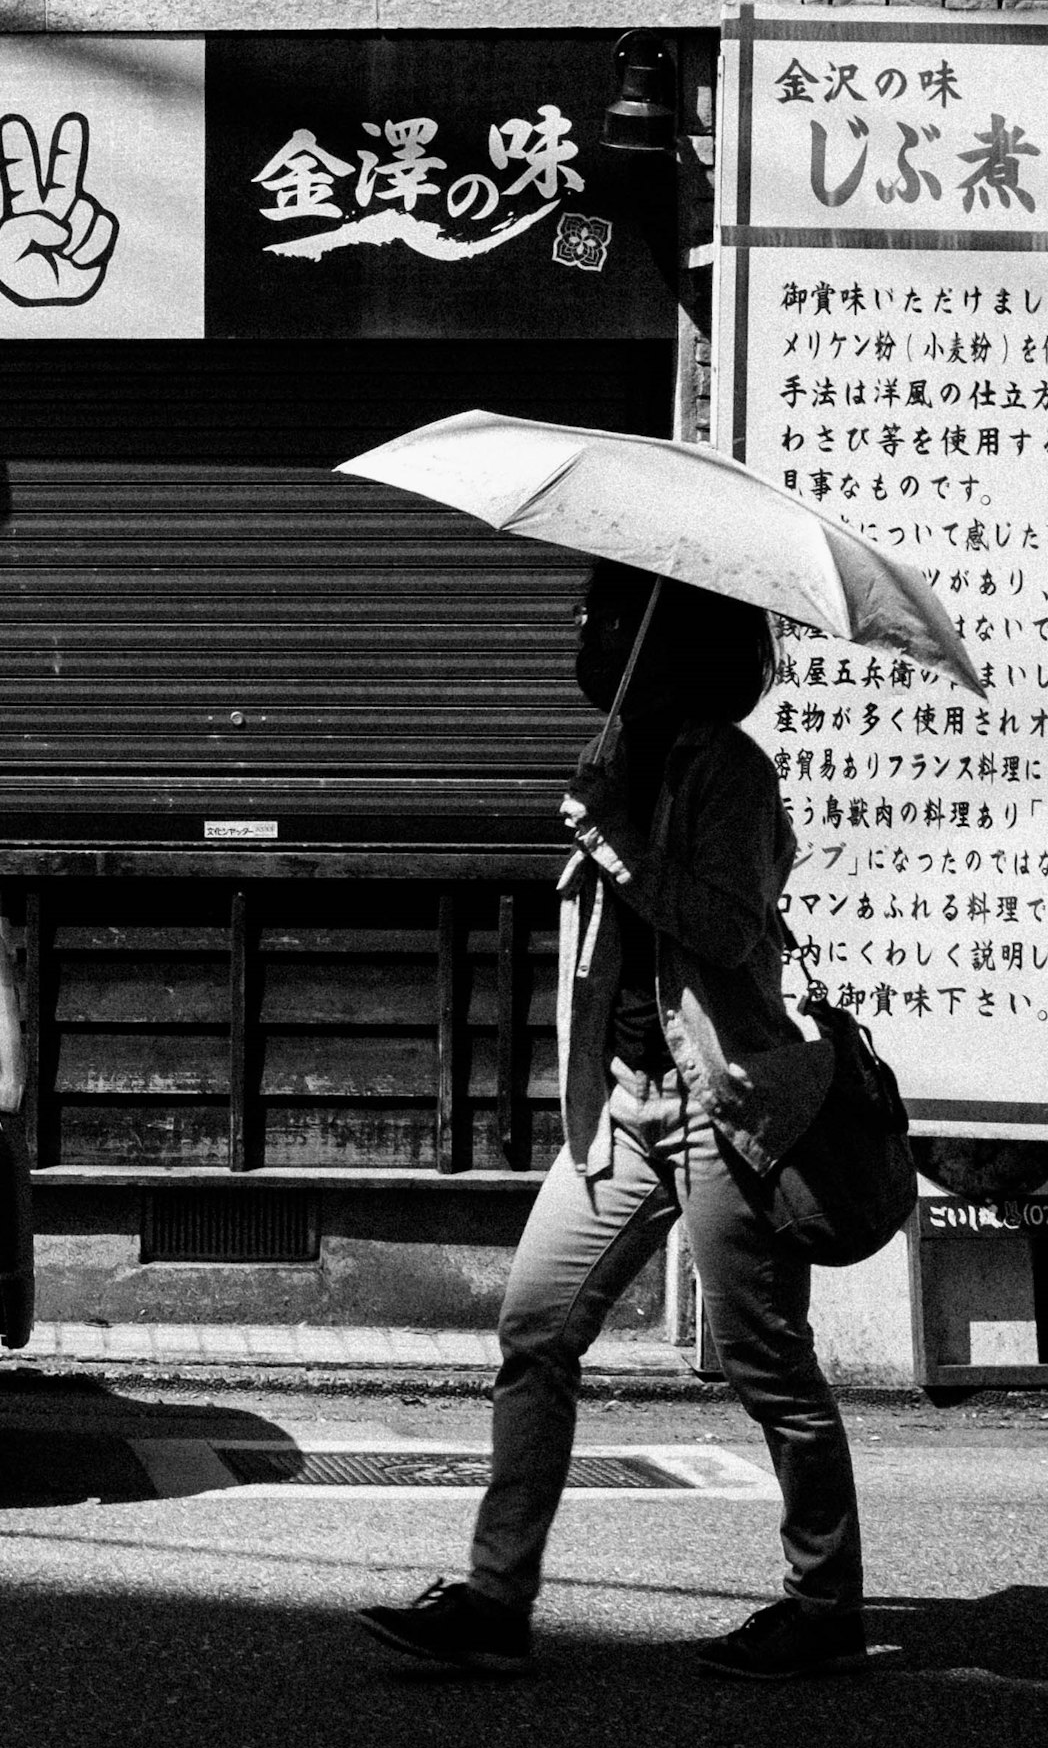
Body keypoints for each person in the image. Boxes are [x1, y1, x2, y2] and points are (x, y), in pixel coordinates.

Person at [357, 562, 865, 1680]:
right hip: (624, 1105)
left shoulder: (731, 772)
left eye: (607, 616)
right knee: (536, 1327)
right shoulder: (613, 756)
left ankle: (825, 1604)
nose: (583, 630)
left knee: (765, 1361)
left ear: (665, 641)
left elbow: (727, 930)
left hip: (722, 1105)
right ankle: (496, 1598)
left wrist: (622, 850)